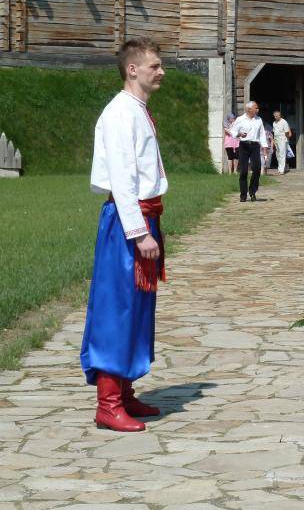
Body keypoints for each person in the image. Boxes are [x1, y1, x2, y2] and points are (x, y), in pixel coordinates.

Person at [81, 37, 168, 432]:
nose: (161, 71)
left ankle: (126, 392)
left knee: (137, 308)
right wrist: (138, 232)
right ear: (132, 69)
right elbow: (121, 177)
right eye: (154, 65)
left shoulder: (138, 110)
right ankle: (108, 403)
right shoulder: (119, 113)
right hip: (126, 221)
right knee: (117, 307)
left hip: (144, 217)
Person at [230, 101, 269, 201]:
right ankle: (243, 194)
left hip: (255, 146)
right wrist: (239, 134)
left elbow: (262, 135)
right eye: (256, 108)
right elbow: (233, 131)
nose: (258, 109)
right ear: (249, 109)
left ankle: (252, 191)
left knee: (257, 169)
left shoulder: (259, 120)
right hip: (244, 145)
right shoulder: (240, 119)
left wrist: (265, 149)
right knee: (243, 171)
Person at [272, 109, 292, 175]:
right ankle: (280, 168)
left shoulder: (284, 122)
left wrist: (287, 140)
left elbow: (287, 132)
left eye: (276, 116)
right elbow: (274, 132)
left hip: (283, 139)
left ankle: (281, 170)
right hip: (276, 139)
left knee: (282, 154)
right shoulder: (274, 123)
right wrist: (274, 140)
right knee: (278, 155)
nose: (275, 117)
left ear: (280, 115)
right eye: (274, 116)